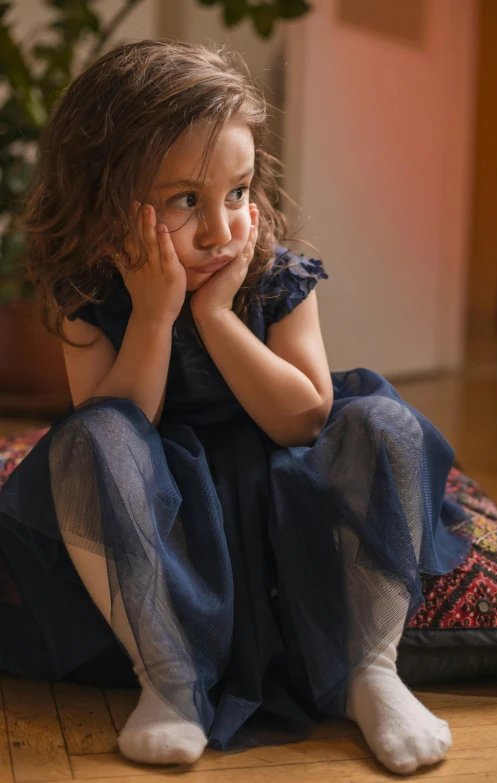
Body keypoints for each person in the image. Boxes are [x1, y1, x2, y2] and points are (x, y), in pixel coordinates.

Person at [0, 39, 471, 775]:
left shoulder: (275, 275)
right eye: (187, 200)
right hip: (173, 504)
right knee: (86, 442)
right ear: (102, 199)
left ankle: (370, 668)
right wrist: (156, 316)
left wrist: (217, 317)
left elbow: (306, 418)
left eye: (239, 192)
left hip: (287, 484)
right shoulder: (90, 292)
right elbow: (118, 434)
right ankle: (169, 676)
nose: (222, 230)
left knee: (383, 425)